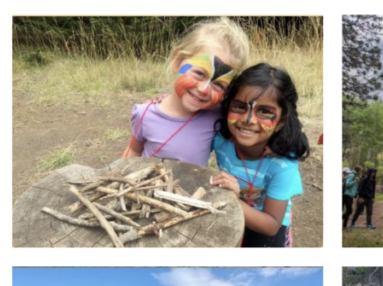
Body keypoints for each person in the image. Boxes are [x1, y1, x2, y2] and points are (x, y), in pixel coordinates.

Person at [123, 17, 249, 166]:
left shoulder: (218, 117)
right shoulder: (144, 113)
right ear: (177, 62)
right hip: (147, 187)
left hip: (192, 188)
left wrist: (274, 148)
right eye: (199, 74)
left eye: (219, 85)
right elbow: (134, 150)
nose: (204, 90)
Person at [209, 63, 309, 247]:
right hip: (234, 206)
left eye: (264, 111)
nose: (248, 120)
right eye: (239, 107)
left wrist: (231, 199)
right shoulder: (220, 138)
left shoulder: (283, 165)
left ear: (280, 122)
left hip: (268, 218)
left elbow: (271, 225)